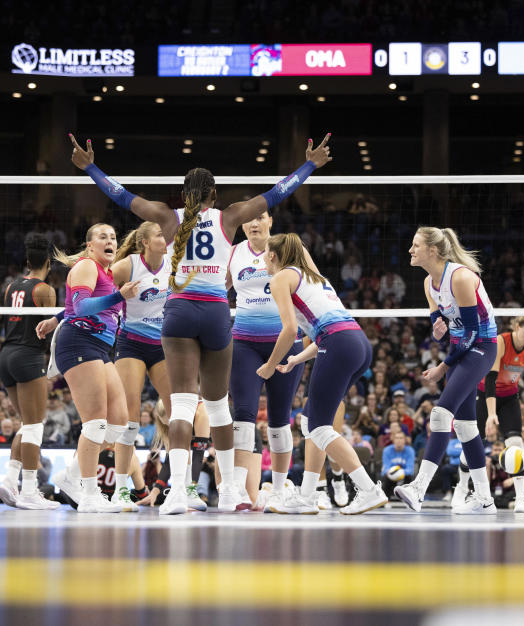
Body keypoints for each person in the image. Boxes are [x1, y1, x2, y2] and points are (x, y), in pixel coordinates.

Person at [68, 131, 332, 514]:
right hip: (213, 313)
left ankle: (177, 492)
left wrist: (90, 167)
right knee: (218, 407)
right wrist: (310, 164)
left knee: (181, 407)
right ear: (213, 194)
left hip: (177, 314)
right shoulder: (230, 217)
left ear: (183, 194)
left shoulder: (165, 217)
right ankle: (228, 493)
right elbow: (277, 193)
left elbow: (121, 196)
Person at [259, 233, 387, 515]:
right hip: (358, 344)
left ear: (271, 256)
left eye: (265, 254)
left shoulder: (280, 278)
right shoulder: (317, 278)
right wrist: (295, 360)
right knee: (310, 422)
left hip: (338, 343)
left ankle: (367, 489)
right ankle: (306, 495)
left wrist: (270, 365)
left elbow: (290, 330)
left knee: (317, 426)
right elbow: (327, 330)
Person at [395, 227, 499, 515]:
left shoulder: (462, 277)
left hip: (481, 346)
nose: (410, 250)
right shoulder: (429, 283)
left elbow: (472, 332)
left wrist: (443, 366)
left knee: (441, 414)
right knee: (465, 426)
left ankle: (418, 489)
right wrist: (437, 326)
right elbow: (441, 326)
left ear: (433, 250)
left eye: (415, 245)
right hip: (461, 348)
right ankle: (484, 499)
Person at [35, 223, 139, 513]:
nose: (109, 241)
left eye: (113, 237)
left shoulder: (105, 272)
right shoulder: (86, 266)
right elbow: (80, 308)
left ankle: (71, 474)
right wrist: (120, 296)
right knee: (95, 421)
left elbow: (73, 305)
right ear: (90, 245)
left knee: (118, 423)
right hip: (79, 343)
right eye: (102, 237)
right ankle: (90, 494)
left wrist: (56, 318)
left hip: (99, 347)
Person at [227, 212, 306, 512]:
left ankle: (278, 489)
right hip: (245, 343)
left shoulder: (287, 249)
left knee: (279, 417)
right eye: (247, 219)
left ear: (271, 220)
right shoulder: (233, 253)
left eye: (259, 217)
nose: (253, 223)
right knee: (243, 413)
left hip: (285, 342)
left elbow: (312, 282)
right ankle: (237, 488)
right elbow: (218, 290)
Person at [108, 221, 174, 511]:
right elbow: (93, 290)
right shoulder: (128, 266)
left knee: (178, 414)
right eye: (160, 235)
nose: (166, 238)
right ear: (146, 242)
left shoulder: (175, 262)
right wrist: (118, 297)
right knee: (129, 418)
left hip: (163, 345)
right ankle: (121, 490)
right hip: (131, 343)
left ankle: (179, 484)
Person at [459, 315, 524, 512]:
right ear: (517, 326)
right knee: (472, 444)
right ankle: (461, 490)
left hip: (510, 397)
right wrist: (492, 414)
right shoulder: (500, 342)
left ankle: (520, 498)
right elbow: (491, 377)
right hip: (485, 394)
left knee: (516, 445)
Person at [0, 234, 60, 511]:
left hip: (6, 356)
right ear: (49, 261)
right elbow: (53, 327)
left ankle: (10, 479)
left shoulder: (10, 287)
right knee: (35, 425)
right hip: (29, 355)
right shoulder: (45, 290)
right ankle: (31, 490)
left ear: (26, 260)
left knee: (26, 423)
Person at [380, 431, 415, 498]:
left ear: (404, 440)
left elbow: (410, 469)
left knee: (410, 478)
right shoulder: (387, 450)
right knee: (385, 478)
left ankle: (409, 499)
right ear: (393, 440)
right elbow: (385, 468)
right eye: (397, 438)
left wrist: (400, 473)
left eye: (401, 438)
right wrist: (393, 473)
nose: (399, 440)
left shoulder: (410, 451)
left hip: (404, 475)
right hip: (390, 475)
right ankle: (385, 501)